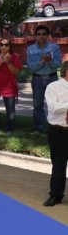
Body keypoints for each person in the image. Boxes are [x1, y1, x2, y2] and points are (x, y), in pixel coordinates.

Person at [27, 25, 62, 133]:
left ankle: (57, 127)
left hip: (52, 78)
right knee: (38, 105)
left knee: (55, 104)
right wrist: (42, 62)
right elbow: (31, 67)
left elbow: (58, 64)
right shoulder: (30, 49)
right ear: (36, 36)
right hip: (37, 79)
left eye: (43, 34)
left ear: (48, 36)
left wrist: (50, 60)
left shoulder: (54, 47)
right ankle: (39, 128)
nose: (41, 36)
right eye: (38, 34)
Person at [43, 61, 68, 207]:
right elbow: (53, 108)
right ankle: (56, 195)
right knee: (59, 163)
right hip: (59, 130)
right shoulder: (53, 87)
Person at [0, 38, 23, 133]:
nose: (4, 47)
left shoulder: (15, 57)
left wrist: (9, 62)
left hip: (9, 88)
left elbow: (16, 72)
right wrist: (0, 62)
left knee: (10, 112)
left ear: (10, 46)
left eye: (6, 45)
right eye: (1, 45)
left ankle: (9, 128)